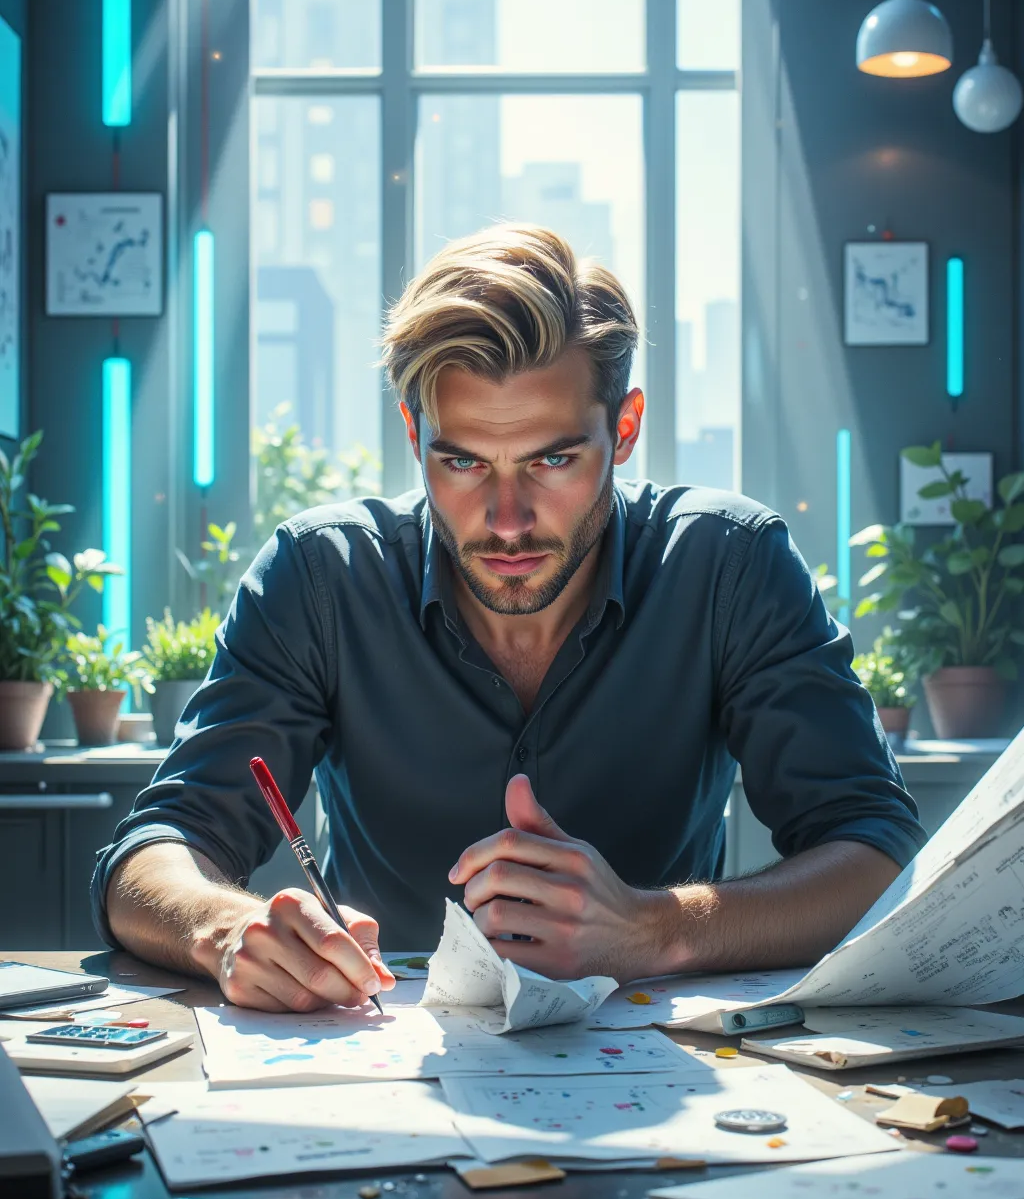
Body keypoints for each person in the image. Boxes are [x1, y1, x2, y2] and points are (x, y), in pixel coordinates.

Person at [93, 224, 925, 1014]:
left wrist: (651, 929)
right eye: (460, 462)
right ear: (415, 434)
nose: (507, 518)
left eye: (552, 459)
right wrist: (227, 930)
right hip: (378, 1061)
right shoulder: (318, 579)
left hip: (667, 1070)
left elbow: (874, 851)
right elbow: (154, 851)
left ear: (625, 429)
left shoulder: (730, 565)